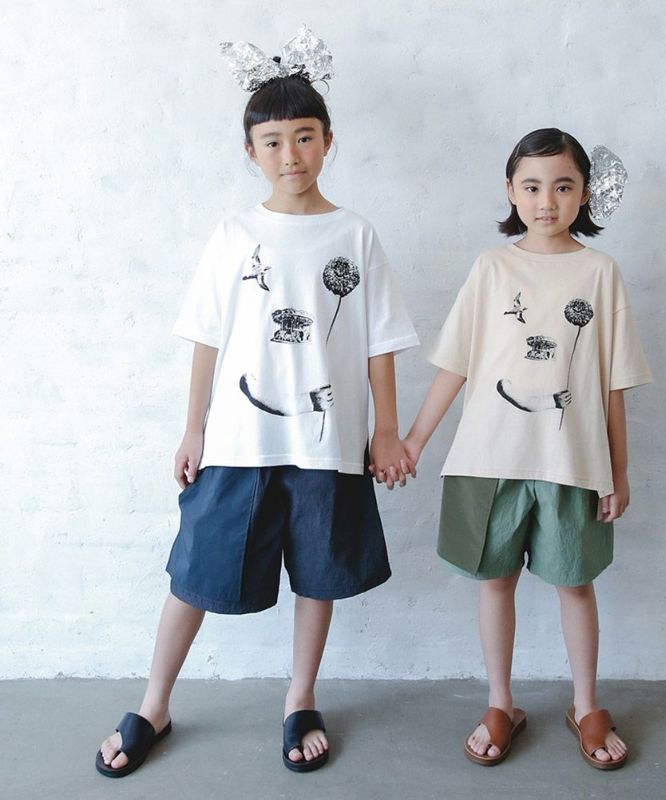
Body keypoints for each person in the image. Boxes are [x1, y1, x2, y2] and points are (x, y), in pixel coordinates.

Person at [96, 27, 418, 778]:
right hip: (239, 440)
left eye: (304, 137)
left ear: (328, 141)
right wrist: (193, 429)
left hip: (327, 439)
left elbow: (380, 341)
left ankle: (300, 699)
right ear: (251, 151)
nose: (290, 155)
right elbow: (207, 336)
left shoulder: (355, 234)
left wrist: (386, 431)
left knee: (319, 573)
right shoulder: (234, 233)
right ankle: (153, 703)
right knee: (196, 571)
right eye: (272, 142)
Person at [402, 128, 652, 770]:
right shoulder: (491, 268)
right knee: (496, 583)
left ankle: (586, 705)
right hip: (489, 459)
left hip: (573, 463)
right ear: (511, 191)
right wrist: (415, 440)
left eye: (563, 186)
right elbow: (456, 363)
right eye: (532, 186)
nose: (547, 201)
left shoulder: (600, 272)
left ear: (584, 194)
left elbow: (613, 383)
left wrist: (619, 471)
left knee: (576, 585)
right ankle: (500, 703)